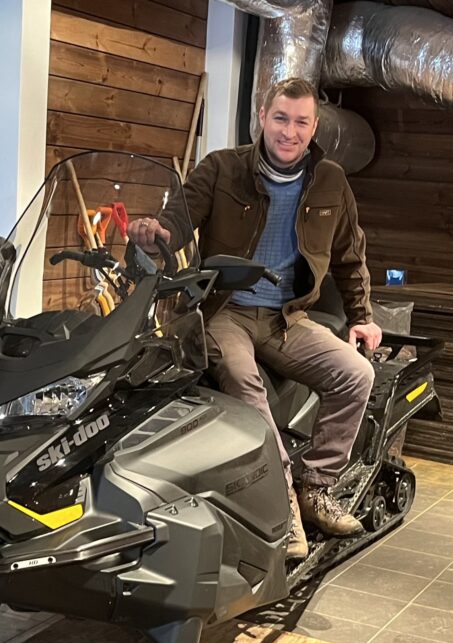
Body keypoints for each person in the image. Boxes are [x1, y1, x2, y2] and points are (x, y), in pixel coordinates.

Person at [128, 77, 381, 560]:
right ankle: (282, 501)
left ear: (314, 127)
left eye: (301, 122)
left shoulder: (331, 181)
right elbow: (177, 220)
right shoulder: (222, 167)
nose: (290, 131)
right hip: (227, 310)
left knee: (357, 375)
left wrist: (362, 317)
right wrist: (155, 231)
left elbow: (351, 255)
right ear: (262, 118)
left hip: (289, 316)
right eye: (280, 118)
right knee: (244, 382)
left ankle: (316, 487)